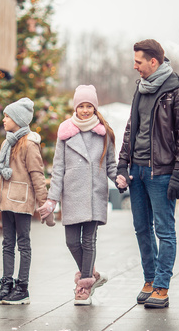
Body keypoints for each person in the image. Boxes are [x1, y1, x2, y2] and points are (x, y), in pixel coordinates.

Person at [116, 39, 179, 309]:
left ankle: (162, 286)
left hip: (161, 172)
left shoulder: (178, 92)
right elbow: (130, 129)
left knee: (165, 230)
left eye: (138, 62)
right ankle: (149, 280)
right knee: (141, 229)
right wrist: (122, 164)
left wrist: (178, 174)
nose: (134, 66)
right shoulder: (141, 88)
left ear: (154, 61)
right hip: (137, 171)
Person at [37, 85, 116, 305]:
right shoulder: (65, 132)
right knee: (72, 242)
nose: (85, 110)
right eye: (81, 106)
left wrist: (119, 179)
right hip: (71, 194)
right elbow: (58, 168)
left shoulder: (104, 133)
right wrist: (52, 199)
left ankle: (83, 287)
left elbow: (111, 164)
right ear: (76, 107)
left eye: (89, 106)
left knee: (88, 241)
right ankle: (92, 274)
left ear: (94, 107)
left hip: (94, 193)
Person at [0, 97, 54, 305]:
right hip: (5, 202)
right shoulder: (7, 142)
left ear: (18, 119)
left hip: (21, 202)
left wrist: (45, 205)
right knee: (7, 244)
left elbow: (37, 176)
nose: (3, 120)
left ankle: (22, 287)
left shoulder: (29, 144)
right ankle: (6, 285)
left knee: (24, 244)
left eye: (7, 116)